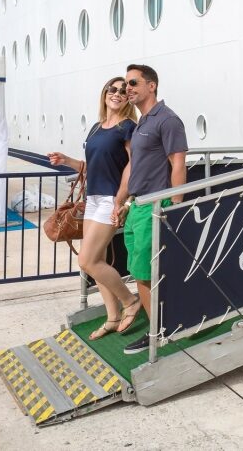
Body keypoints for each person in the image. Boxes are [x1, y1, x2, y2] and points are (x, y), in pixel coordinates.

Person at [48, 78, 139, 340]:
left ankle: (129, 301)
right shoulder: (96, 128)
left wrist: (122, 200)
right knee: (93, 263)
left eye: (124, 91)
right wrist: (66, 161)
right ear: (105, 93)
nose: (118, 94)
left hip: (111, 200)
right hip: (93, 199)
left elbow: (132, 166)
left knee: (86, 259)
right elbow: (92, 167)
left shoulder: (128, 127)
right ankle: (112, 316)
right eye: (114, 89)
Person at [113, 64, 188, 355]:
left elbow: (177, 163)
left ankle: (159, 330)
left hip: (156, 204)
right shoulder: (143, 121)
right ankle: (158, 325)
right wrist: (124, 201)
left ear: (151, 85)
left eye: (133, 83)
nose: (127, 89)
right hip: (138, 205)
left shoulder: (167, 120)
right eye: (125, 84)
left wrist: (177, 206)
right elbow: (136, 166)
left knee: (147, 270)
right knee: (141, 272)